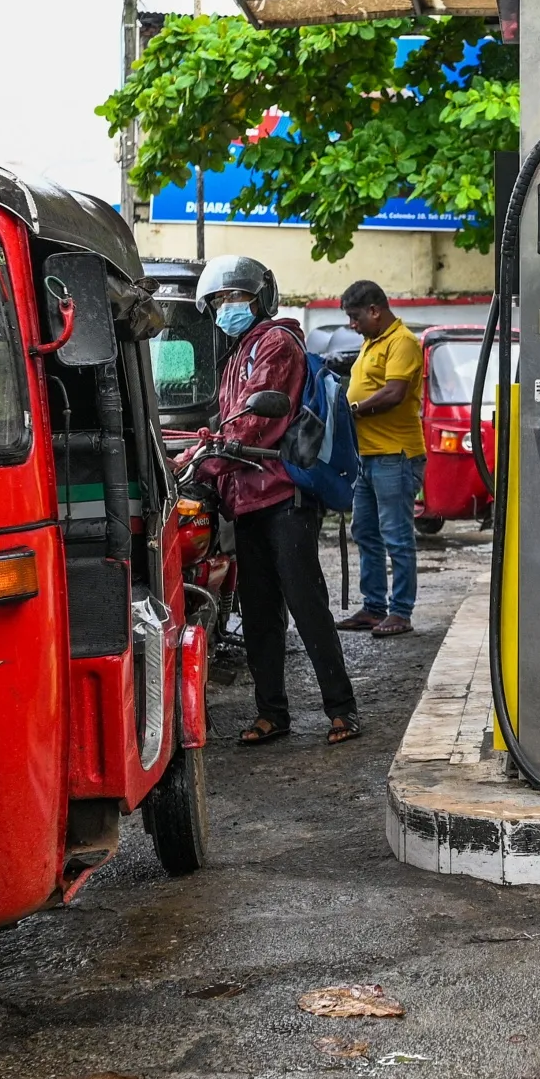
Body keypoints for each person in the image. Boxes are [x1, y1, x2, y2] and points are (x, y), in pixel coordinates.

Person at [195, 254, 362, 747]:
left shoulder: (276, 342)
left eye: (236, 296)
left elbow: (260, 419)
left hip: (281, 495)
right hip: (245, 500)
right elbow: (230, 422)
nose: (228, 307)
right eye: (221, 299)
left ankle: (342, 709)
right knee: (260, 612)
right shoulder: (237, 352)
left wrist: (211, 459)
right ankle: (272, 713)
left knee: (306, 604)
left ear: (260, 297)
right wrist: (208, 442)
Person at [333, 280, 427, 638]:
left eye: (355, 317)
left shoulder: (402, 342)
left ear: (375, 310)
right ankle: (374, 608)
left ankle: (400, 612)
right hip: (367, 457)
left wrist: (352, 410)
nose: (352, 324)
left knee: (396, 536)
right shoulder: (370, 343)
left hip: (396, 456)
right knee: (366, 533)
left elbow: (393, 393)